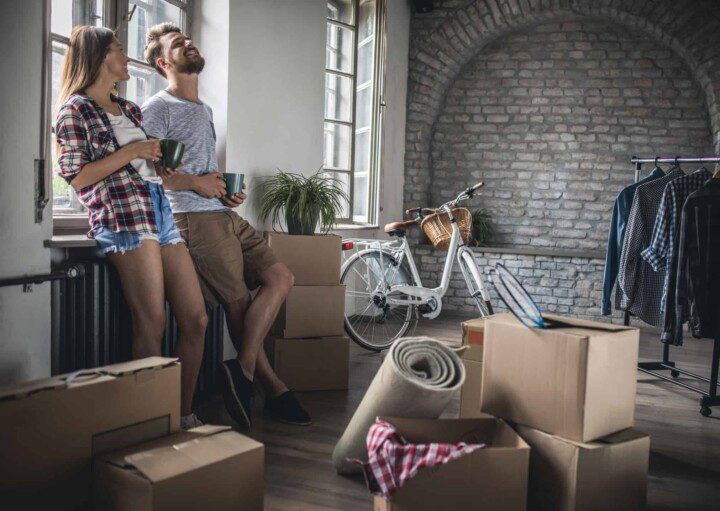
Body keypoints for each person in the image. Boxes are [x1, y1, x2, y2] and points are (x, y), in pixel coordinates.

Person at [141, 23, 311, 426]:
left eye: (188, 38)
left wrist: (222, 190)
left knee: (281, 277)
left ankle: (244, 368)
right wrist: (197, 184)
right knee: (238, 305)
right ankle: (273, 389)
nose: (188, 43)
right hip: (191, 218)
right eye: (178, 44)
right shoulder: (156, 108)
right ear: (164, 62)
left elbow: (197, 169)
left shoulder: (204, 109)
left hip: (221, 212)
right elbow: (146, 171)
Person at [54, 26, 206, 430]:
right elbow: (78, 177)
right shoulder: (75, 110)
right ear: (102, 56)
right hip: (122, 218)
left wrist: (157, 164)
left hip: (158, 210)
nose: (127, 57)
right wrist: (133, 151)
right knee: (151, 324)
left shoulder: (131, 110)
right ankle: (149, 422)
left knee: (196, 319)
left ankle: (182, 414)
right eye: (120, 50)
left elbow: (141, 166)